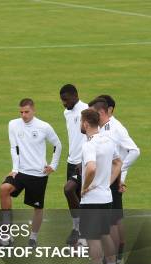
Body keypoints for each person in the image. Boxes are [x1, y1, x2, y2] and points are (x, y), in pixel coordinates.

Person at [0, 98, 61, 248]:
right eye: (21, 112)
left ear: (33, 110)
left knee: (38, 208)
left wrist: (53, 165)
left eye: (26, 112)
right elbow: (14, 148)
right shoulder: (13, 124)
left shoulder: (44, 127)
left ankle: (33, 238)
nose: (24, 115)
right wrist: (14, 169)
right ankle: (6, 232)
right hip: (20, 172)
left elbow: (57, 144)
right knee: (4, 189)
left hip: (38, 174)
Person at [75, 109, 122, 264]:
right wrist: (108, 182)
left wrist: (85, 187)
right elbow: (118, 162)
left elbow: (92, 168)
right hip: (106, 197)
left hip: (92, 199)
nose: (81, 124)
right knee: (105, 234)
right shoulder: (109, 140)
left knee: (92, 238)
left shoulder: (89, 145)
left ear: (86, 123)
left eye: (81, 121)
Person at [94, 95, 140, 264]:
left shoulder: (116, 128)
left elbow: (134, 150)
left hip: (112, 179)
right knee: (116, 217)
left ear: (105, 111)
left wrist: (120, 171)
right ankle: (118, 254)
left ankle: (111, 258)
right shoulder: (105, 127)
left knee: (111, 220)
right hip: (112, 178)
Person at [60, 84, 89, 246]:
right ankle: (76, 229)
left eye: (66, 100)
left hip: (83, 162)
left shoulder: (86, 110)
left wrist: (84, 159)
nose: (64, 103)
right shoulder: (67, 112)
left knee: (71, 190)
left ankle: (84, 233)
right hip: (71, 161)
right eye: (62, 101)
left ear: (75, 95)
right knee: (73, 197)